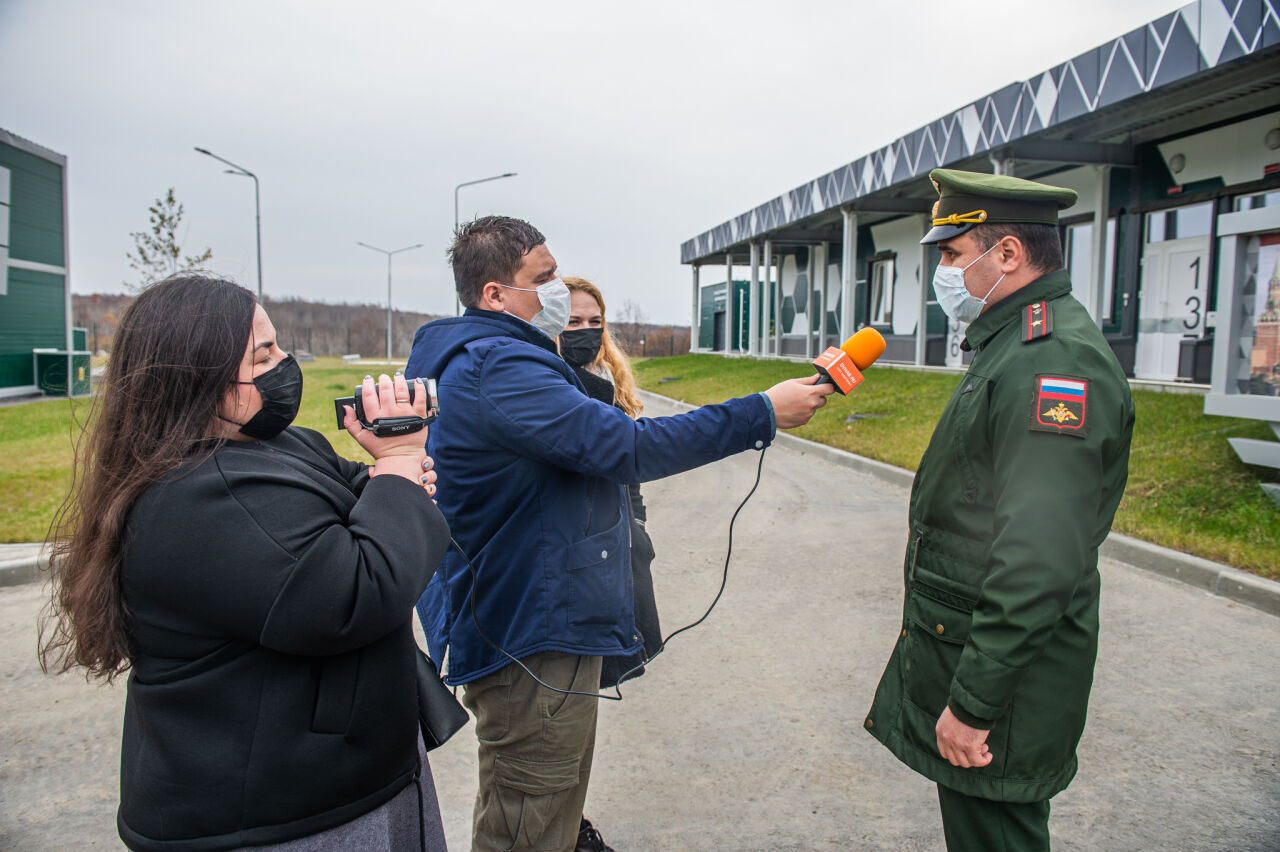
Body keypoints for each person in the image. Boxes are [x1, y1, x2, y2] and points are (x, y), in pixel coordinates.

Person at [406, 216, 834, 852]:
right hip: (532, 628)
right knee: (527, 819)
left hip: (537, 616)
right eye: (543, 278)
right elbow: (627, 447)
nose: (559, 289)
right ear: (494, 294)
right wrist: (761, 412)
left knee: (547, 807)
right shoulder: (500, 367)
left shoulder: (506, 359)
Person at [39, 273, 452, 851]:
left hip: (348, 782)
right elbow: (362, 590)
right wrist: (404, 459)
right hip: (281, 817)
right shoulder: (197, 499)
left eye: (279, 345)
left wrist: (395, 477)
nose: (286, 363)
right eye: (264, 355)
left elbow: (371, 498)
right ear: (199, 376)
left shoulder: (273, 443)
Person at [864, 169, 1135, 851]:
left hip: (1004, 682)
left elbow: (1038, 557)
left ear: (1007, 254)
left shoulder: (1052, 363)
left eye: (953, 256)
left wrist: (974, 702)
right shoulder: (1012, 344)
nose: (943, 273)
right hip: (981, 657)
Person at [557, 276, 658, 852]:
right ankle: (563, 831)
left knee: (581, 711)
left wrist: (637, 527)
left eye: (594, 322)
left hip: (612, 563)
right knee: (549, 727)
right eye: (572, 322)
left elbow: (631, 471)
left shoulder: (608, 384)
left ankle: (570, 824)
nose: (586, 333)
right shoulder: (546, 393)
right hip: (570, 572)